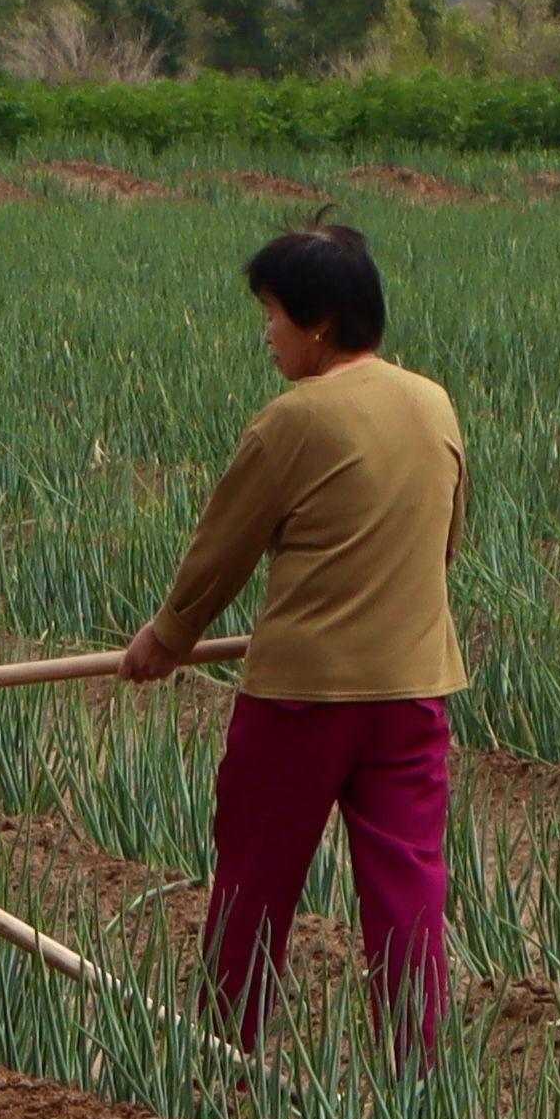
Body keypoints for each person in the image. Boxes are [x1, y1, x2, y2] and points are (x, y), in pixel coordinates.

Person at [120, 221, 472, 1056]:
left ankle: (224, 1059)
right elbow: (447, 539)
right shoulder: (433, 402)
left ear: (319, 323)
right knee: (407, 890)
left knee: (255, 884)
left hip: (302, 703)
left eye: (272, 314)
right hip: (413, 693)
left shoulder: (293, 419)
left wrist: (166, 640)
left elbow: (222, 552)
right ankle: (417, 1074)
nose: (266, 333)